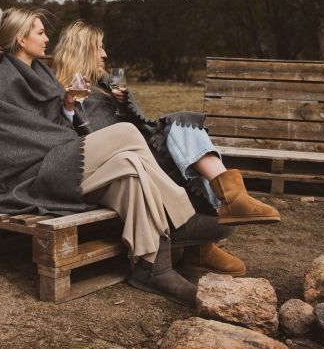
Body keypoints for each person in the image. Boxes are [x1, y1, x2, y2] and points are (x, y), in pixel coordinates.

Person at [0, 8, 231, 307]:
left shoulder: (40, 74)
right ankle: (180, 214)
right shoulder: (4, 84)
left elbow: (55, 123)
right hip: (35, 173)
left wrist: (69, 104)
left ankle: (152, 267)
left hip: (60, 159)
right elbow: (15, 143)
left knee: (131, 168)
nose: (47, 38)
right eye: (39, 32)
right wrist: (70, 131)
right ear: (21, 39)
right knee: (125, 133)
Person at [51, 21, 281, 276]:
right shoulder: (62, 90)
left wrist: (125, 102)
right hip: (120, 163)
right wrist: (70, 104)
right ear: (80, 50)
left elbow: (135, 123)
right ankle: (204, 242)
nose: (105, 54)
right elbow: (76, 141)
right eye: (98, 48)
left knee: (183, 123)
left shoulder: (106, 83)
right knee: (182, 151)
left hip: (142, 148)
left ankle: (232, 199)